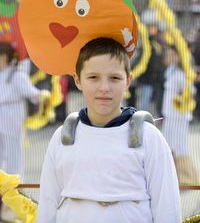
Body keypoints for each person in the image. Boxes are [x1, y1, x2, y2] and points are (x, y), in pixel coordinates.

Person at [37, 37, 181, 223]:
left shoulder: (149, 137)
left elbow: (167, 208)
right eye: (93, 77)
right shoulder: (62, 138)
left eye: (114, 78)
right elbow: (48, 204)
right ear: (78, 79)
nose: (104, 88)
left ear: (128, 81)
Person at [0, 42, 50, 222]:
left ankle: (14, 195)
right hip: (1, 115)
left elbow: (31, 92)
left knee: (14, 157)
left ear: (7, 56)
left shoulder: (17, 74)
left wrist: (44, 95)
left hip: (12, 117)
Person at [161, 45, 199, 185]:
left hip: (179, 116)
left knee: (180, 146)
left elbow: (191, 91)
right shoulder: (170, 71)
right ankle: (176, 177)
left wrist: (181, 98)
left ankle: (188, 178)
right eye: (168, 54)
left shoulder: (182, 74)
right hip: (169, 114)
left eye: (172, 54)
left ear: (179, 56)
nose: (169, 57)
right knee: (169, 144)